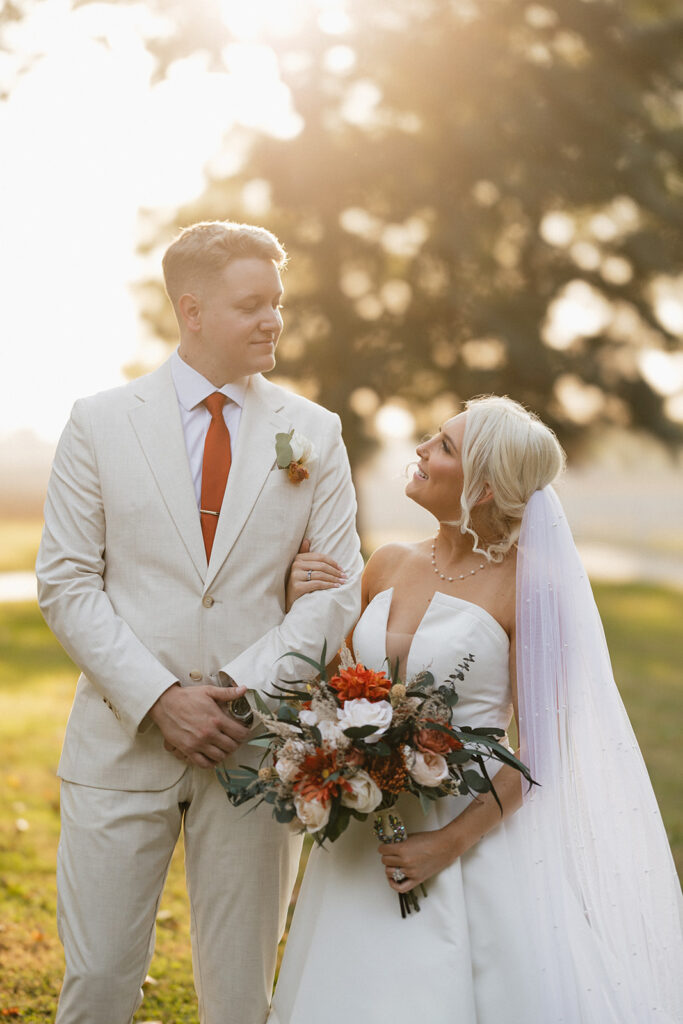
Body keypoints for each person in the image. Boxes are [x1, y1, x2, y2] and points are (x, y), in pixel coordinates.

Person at [36, 220, 363, 1024]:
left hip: (254, 749)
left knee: (240, 994)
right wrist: (159, 698)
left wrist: (232, 689)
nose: (273, 320)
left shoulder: (314, 434)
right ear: (191, 310)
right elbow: (67, 580)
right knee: (100, 982)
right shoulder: (100, 422)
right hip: (120, 743)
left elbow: (337, 590)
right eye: (251, 304)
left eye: (277, 303)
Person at [270, 395, 683, 1024]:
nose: (421, 450)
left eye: (443, 446)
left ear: (484, 488)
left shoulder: (530, 588)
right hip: (361, 830)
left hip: (468, 836)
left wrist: (447, 844)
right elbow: (336, 688)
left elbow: (544, 748)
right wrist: (301, 601)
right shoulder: (386, 565)